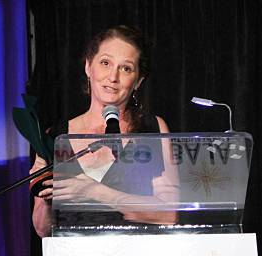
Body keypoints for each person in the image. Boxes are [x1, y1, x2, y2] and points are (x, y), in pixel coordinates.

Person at [30, 25, 179, 238]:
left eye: (126, 68)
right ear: (88, 67)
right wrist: (47, 199)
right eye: (105, 63)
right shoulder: (55, 136)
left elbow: (169, 215)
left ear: (138, 81)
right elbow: (42, 229)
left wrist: (94, 191)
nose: (113, 77)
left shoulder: (152, 129)